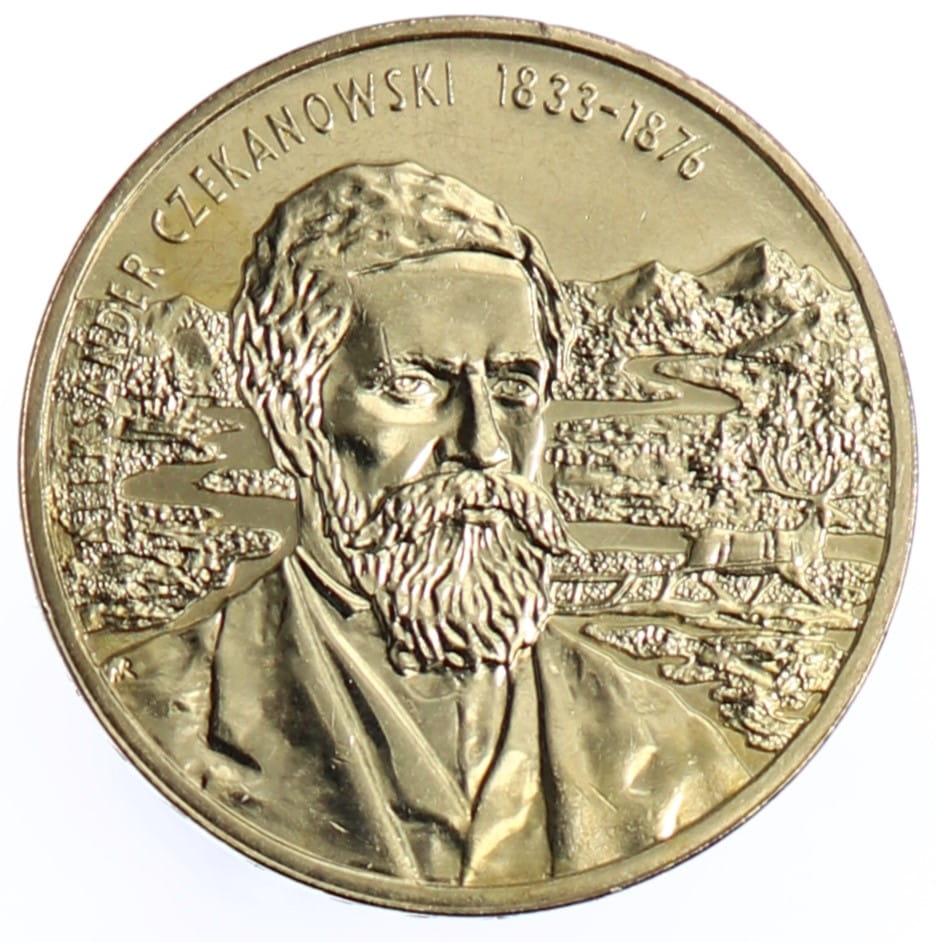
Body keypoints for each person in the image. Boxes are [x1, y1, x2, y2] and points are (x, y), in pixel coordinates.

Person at [116, 162, 747, 886]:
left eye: (513, 387)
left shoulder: (676, 763)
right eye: (412, 386)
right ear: (290, 416)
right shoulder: (154, 721)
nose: (484, 446)